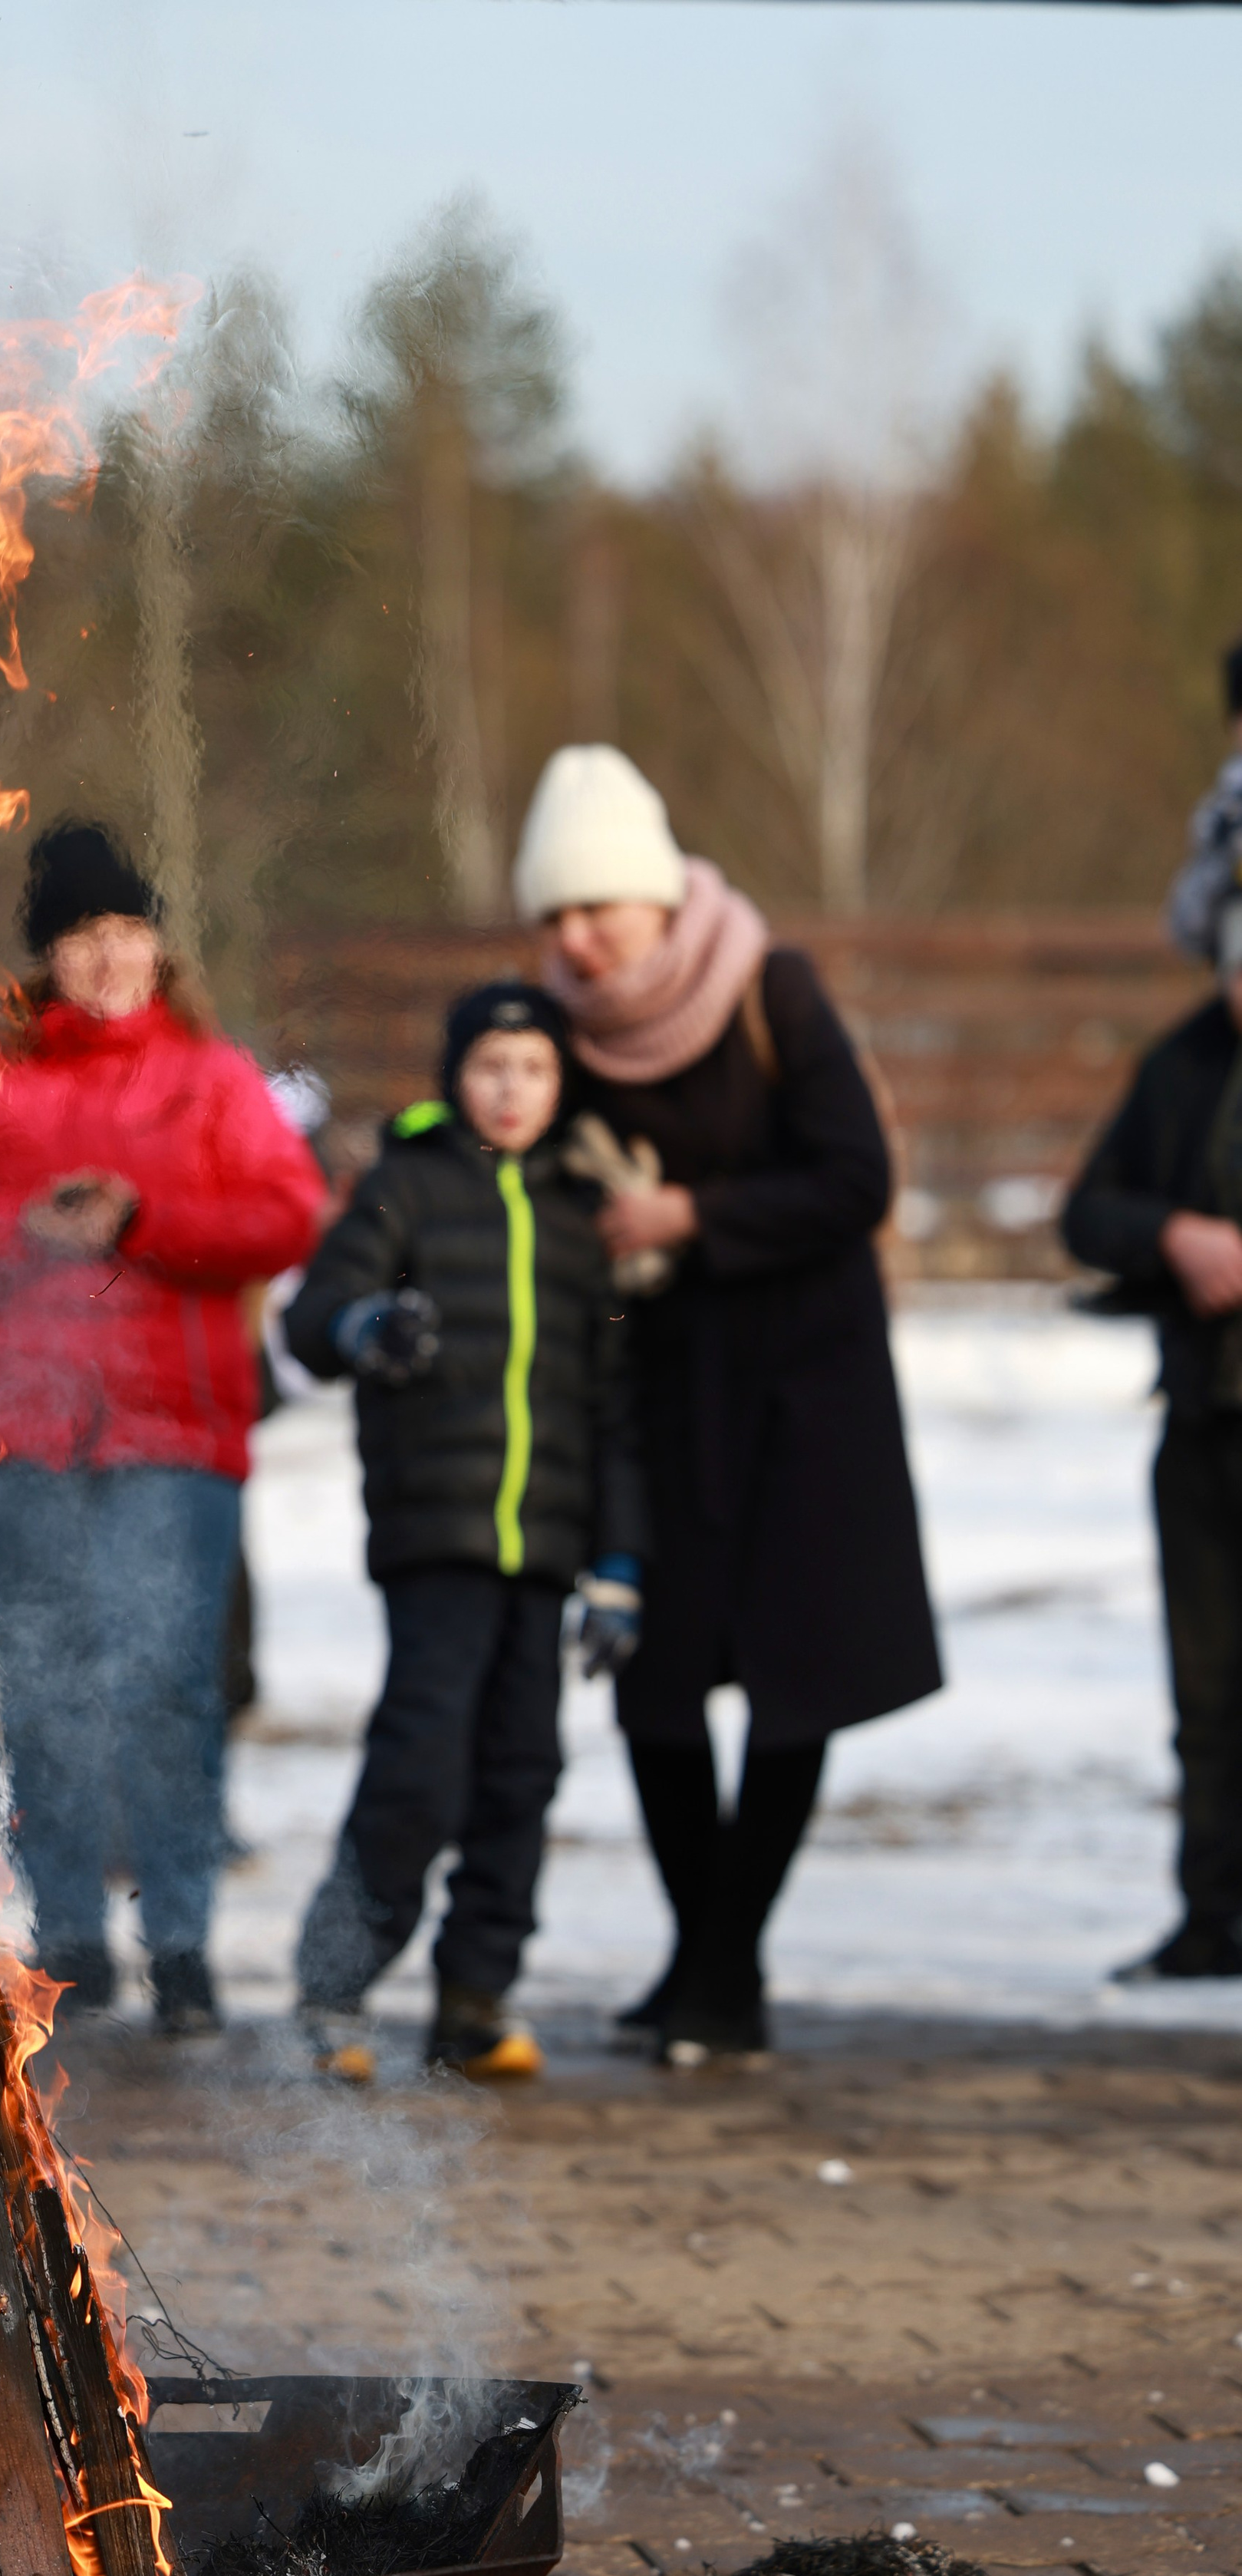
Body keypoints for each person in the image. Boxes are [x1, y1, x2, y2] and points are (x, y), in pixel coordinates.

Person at [514, 745, 942, 2064]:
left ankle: (720, 1964)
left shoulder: (770, 988)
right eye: (557, 916)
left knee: (796, 1675)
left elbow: (855, 1179)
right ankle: (709, 1958)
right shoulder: (558, 1035)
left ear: (655, 895)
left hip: (808, 1386)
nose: (579, 940)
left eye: (599, 909)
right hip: (660, 1389)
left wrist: (690, 1213)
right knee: (657, 1683)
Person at [0, 820, 326, 2034]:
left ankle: (182, 1945)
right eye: (83, 936)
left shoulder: (211, 1079)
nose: (107, 957)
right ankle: (72, 1937)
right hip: (24, 1438)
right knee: (44, 1685)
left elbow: (286, 1221)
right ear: (49, 956)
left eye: (126, 932)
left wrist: (140, 1216)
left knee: (172, 1685)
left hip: (173, 1438)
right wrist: (22, 1231)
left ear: (157, 945)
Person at [285, 978, 648, 2086]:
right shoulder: (406, 1186)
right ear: (457, 1079)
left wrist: (620, 1563)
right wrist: (367, 1323)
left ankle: (475, 1996)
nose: (511, 1089)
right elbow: (314, 1317)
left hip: (544, 1553)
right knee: (421, 1766)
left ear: (560, 1084)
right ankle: (335, 1983)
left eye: (534, 1070)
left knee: (521, 1771)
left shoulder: (585, 1214)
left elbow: (615, 1406)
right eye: (491, 1068)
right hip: (435, 1538)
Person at [1063, 636, 1242, 1984]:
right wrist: (1173, 1236)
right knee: (1207, 1683)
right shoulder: (1185, 1065)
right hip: (1205, 1414)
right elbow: (1090, 1208)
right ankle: (1210, 1910)